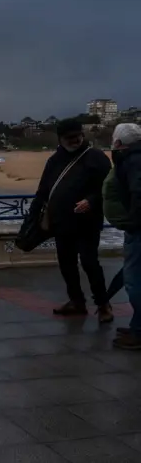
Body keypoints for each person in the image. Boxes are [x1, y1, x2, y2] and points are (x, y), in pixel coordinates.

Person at [29, 118, 112, 321]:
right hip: (61, 222)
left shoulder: (96, 157)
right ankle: (76, 301)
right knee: (66, 263)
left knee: (89, 262)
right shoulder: (55, 160)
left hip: (87, 222)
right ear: (61, 139)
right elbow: (43, 191)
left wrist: (91, 201)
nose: (75, 141)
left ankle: (103, 305)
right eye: (70, 138)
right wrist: (32, 217)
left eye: (78, 136)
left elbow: (108, 188)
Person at [110, 123, 141, 349]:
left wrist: (131, 222)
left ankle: (139, 333)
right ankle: (136, 324)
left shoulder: (133, 161)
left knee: (134, 280)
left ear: (118, 143)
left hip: (139, 229)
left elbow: (138, 193)